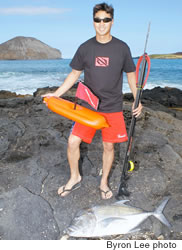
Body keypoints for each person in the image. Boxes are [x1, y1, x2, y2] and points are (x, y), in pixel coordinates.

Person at [42, 2, 142, 199]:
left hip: (112, 106)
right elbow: (74, 74)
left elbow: (131, 75)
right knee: (72, 142)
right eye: (98, 20)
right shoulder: (85, 48)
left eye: (106, 20)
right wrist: (57, 94)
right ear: (93, 22)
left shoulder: (122, 48)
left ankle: (103, 183)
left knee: (109, 146)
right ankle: (74, 177)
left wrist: (137, 100)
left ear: (112, 21)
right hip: (88, 106)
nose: (102, 24)